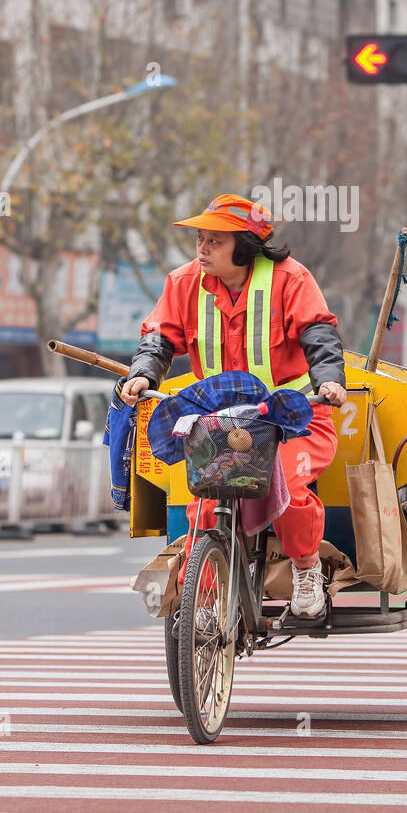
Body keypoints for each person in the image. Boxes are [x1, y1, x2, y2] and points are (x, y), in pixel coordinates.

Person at [120, 193, 346, 618]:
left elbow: (319, 335)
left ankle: (306, 567)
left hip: (294, 420)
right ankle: (203, 598)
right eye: (199, 240)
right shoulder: (183, 283)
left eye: (213, 242)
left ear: (244, 245)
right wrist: (143, 373)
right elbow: (159, 339)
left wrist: (330, 381)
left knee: (291, 491)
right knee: (202, 506)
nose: (201, 249)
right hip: (220, 425)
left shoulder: (291, 280)